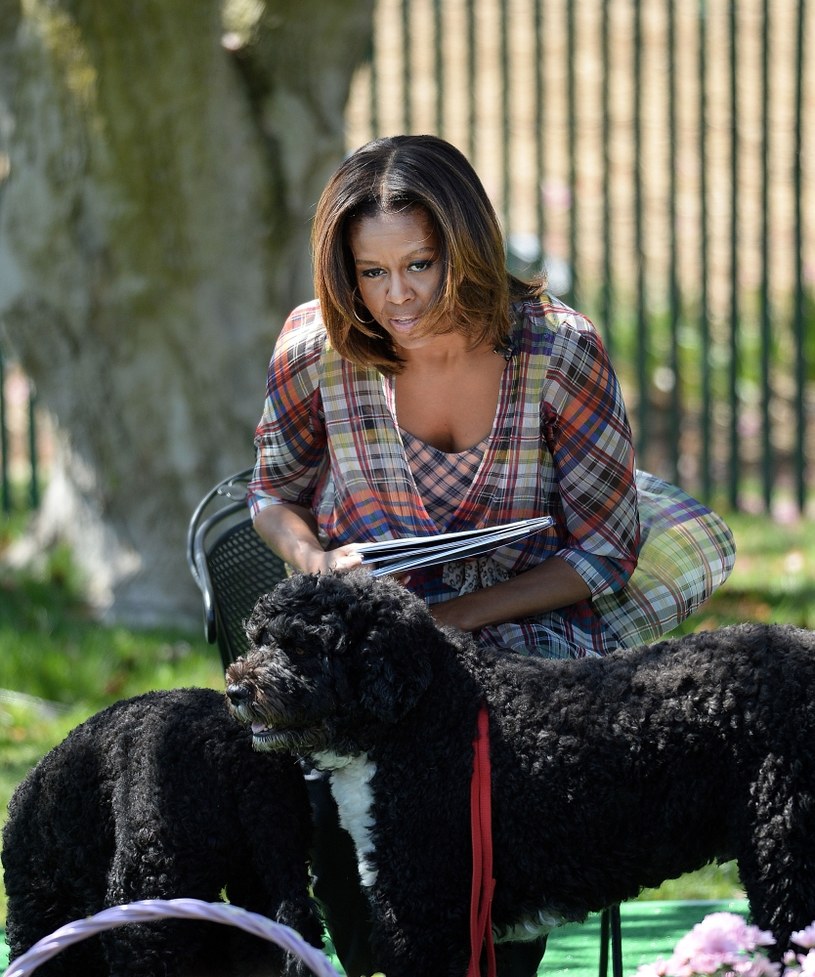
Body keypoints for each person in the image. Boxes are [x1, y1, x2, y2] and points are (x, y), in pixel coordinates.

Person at [246, 134, 736, 977]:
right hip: (370, 650)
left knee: (498, 796)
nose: (396, 295)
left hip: (522, 630)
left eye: (420, 265)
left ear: (463, 249)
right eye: (371, 271)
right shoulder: (315, 346)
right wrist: (318, 562)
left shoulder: (556, 348)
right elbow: (270, 494)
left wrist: (449, 621)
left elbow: (604, 551)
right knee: (332, 801)